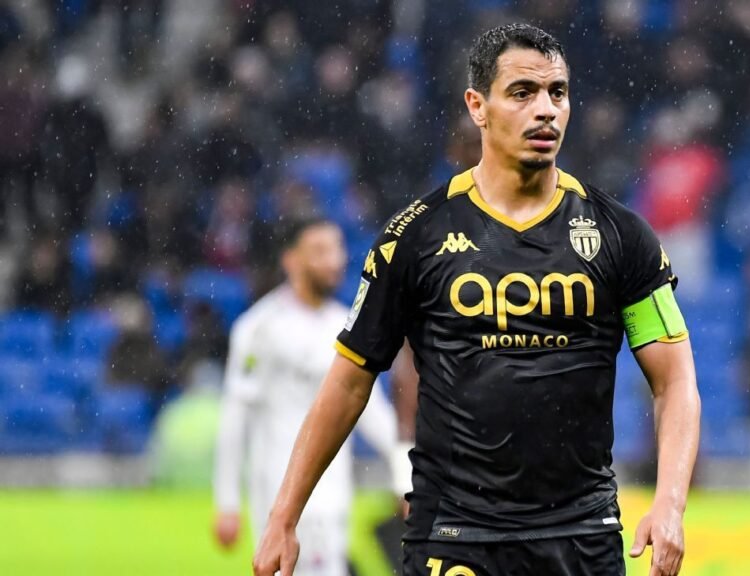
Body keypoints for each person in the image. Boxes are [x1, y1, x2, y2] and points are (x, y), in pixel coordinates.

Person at [253, 24, 701, 576]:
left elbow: (674, 379)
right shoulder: (414, 236)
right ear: (478, 106)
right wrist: (284, 515)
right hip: (454, 535)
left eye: (557, 92)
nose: (546, 110)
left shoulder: (621, 235)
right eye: (522, 93)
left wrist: (670, 503)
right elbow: (349, 380)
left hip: (582, 537)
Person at [214, 218, 411, 576]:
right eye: (319, 251)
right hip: (280, 493)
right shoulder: (259, 329)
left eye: (336, 249)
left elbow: (373, 414)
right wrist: (227, 501)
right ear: (291, 260)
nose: (334, 260)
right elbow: (236, 417)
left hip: (335, 493)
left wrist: (406, 478)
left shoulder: (346, 325)